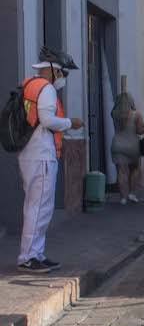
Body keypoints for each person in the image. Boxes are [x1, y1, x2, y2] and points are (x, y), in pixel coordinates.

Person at [15, 48, 83, 272]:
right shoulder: (46, 89)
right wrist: (70, 123)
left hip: (31, 153)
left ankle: (36, 253)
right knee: (39, 207)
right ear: (53, 70)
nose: (64, 78)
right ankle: (29, 257)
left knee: (35, 206)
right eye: (63, 73)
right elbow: (47, 120)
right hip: (41, 154)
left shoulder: (29, 84)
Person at [110, 92, 144, 205]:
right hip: (132, 146)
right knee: (134, 169)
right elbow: (139, 131)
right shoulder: (136, 115)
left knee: (121, 172)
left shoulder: (114, 114)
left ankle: (123, 198)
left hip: (117, 144)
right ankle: (131, 193)